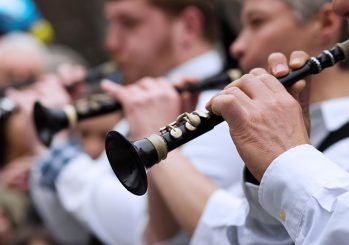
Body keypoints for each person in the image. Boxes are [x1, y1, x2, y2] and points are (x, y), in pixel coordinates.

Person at [106, 0, 349, 244]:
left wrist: (155, 134)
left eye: (257, 22)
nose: (238, 46)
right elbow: (167, 239)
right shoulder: (284, 125)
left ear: (326, 24)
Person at [30, 0, 245, 244]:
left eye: (129, 24)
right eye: (111, 24)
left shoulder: (218, 107)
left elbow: (140, 233)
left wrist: (60, 156)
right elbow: (76, 234)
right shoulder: (150, 98)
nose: (111, 43)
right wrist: (64, 137)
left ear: (188, 26)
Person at [204, 0, 349, 244]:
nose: (342, 5)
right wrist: (269, 175)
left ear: (327, 23)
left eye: (258, 22)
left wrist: (288, 159)